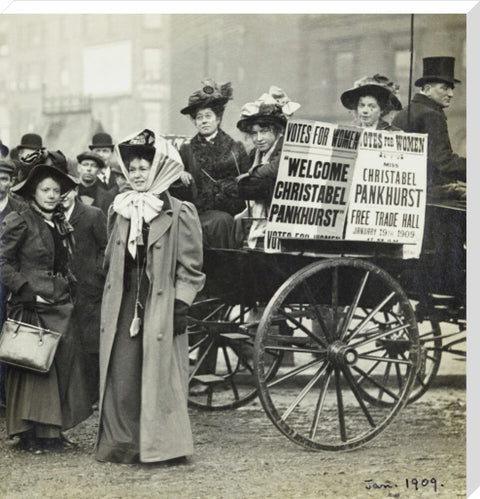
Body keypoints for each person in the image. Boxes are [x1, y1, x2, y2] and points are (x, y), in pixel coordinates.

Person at [95, 129, 205, 464]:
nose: (139, 174)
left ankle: (165, 447)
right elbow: (109, 258)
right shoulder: (121, 209)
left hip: (161, 303)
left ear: (158, 168)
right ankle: (124, 444)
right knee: (123, 373)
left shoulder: (179, 210)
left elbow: (192, 266)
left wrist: (181, 304)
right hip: (125, 301)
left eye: (145, 167)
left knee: (160, 376)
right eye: (134, 169)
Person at [0, 164, 92, 454]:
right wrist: (24, 290)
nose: (52, 195)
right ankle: (30, 435)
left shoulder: (61, 223)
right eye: (46, 190)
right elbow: (2, 261)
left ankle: (53, 431)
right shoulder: (20, 220)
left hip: (60, 302)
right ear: (33, 192)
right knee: (34, 369)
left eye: (56, 190)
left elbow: (62, 262)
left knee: (60, 365)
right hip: (32, 304)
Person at [178, 78, 249, 249]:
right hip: (198, 213)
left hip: (230, 213)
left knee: (221, 222)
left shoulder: (235, 148)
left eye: (208, 116)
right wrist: (180, 172)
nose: (203, 121)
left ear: (218, 119)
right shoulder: (186, 150)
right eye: (199, 117)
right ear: (194, 122)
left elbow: (246, 184)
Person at [235, 86, 300, 249]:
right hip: (263, 214)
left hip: (288, 216)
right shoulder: (255, 154)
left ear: (277, 130)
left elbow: (276, 168)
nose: (259, 138)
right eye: (254, 133)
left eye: (264, 131)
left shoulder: (286, 146)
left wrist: (252, 174)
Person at [392, 56, 466, 200]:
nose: (450, 94)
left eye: (451, 88)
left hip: (405, 192)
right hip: (430, 194)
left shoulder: (405, 112)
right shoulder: (431, 115)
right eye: (444, 88)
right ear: (427, 89)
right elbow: (443, 162)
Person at [60, 186, 108, 407]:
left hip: (90, 289)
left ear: (75, 190)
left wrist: (97, 274)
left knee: (91, 342)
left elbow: (105, 247)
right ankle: (70, 393)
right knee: (67, 339)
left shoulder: (92, 214)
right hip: (62, 289)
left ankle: (93, 394)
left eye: (66, 190)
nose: (62, 195)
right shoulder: (51, 216)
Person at [76, 151, 115, 216]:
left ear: (99, 171)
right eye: (85, 165)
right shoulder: (68, 194)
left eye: (93, 166)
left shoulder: (108, 197)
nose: (89, 169)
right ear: (78, 168)